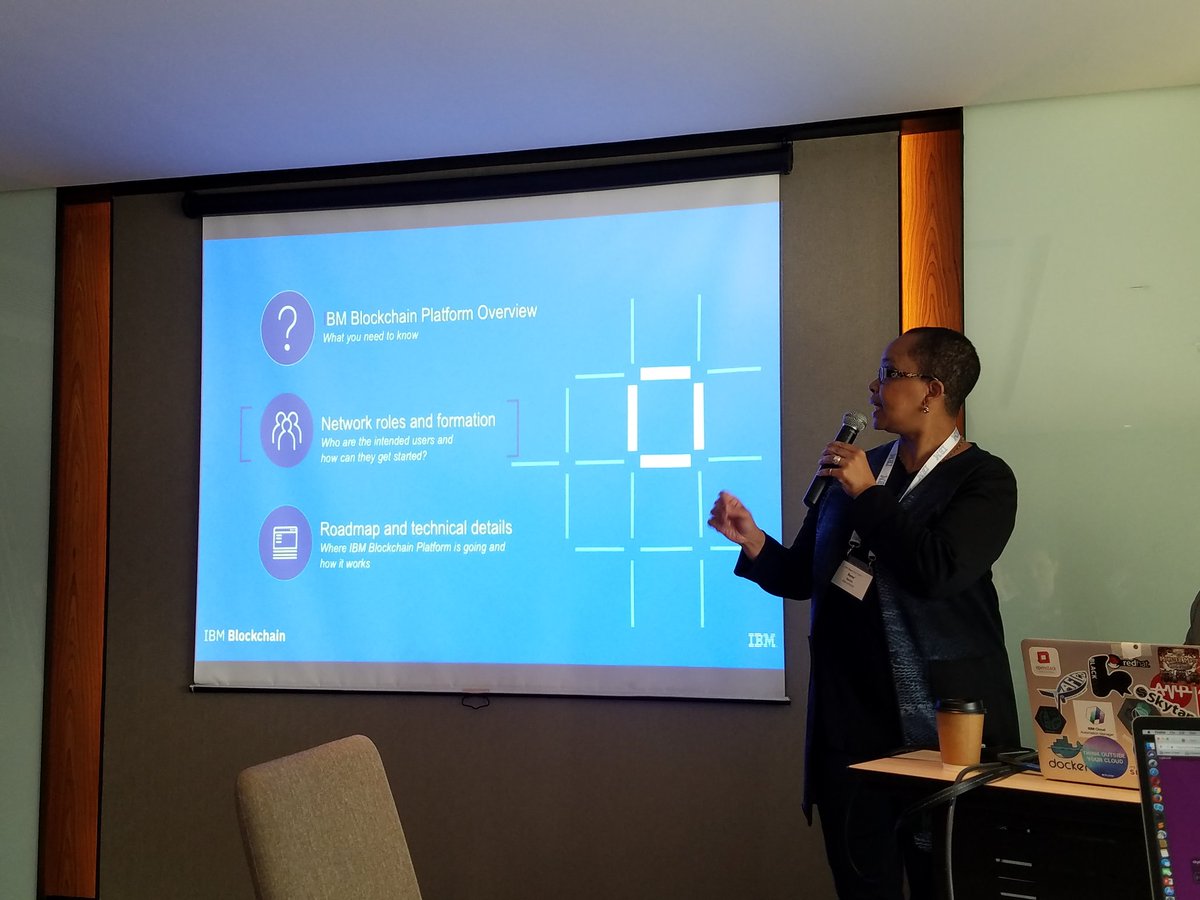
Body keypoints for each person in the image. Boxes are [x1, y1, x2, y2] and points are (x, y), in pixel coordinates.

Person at [709, 327, 1020, 899]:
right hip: (849, 726)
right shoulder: (860, 469)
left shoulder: (984, 479)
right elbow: (804, 575)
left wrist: (868, 495)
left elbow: (936, 570)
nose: (873, 387)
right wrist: (752, 541)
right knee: (861, 885)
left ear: (932, 390)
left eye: (888, 373)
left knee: (946, 884)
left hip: (942, 728)